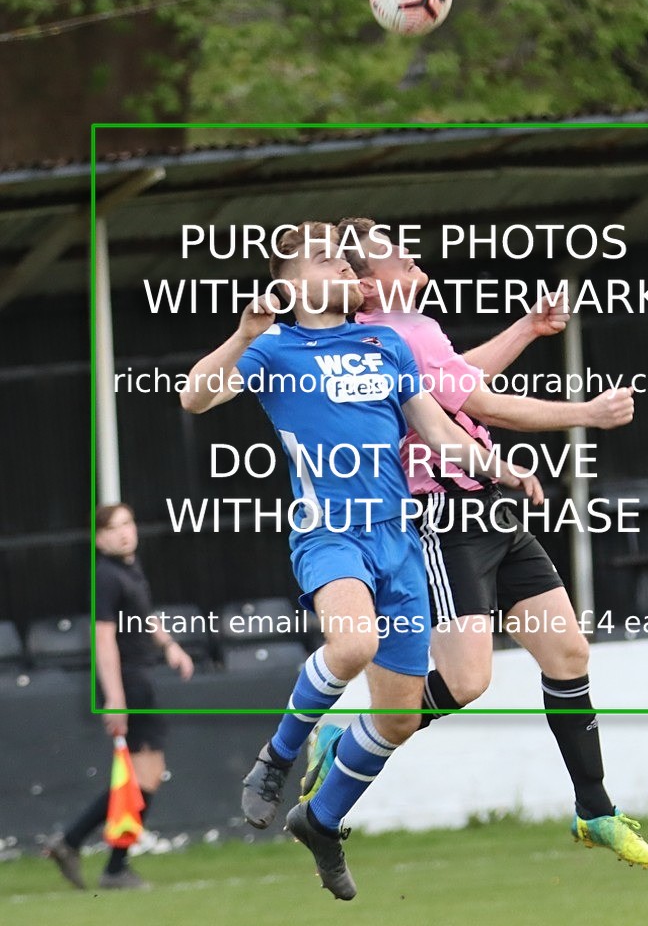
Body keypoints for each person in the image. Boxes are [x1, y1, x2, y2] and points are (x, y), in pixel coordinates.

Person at [179, 222, 540, 900]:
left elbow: (437, 430)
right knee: (352, 644)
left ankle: (319, 820)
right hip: (331, 533)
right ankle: (277, 757)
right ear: (290, 286)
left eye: (345, 260)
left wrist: (502, 468)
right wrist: (242, 335)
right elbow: (195, 396)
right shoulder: (273, 348)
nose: (343, 266)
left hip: (399, 540)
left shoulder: (386, 343)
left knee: (398, 718)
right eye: (323, 259)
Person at [301, 217, 648, 869]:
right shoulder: (388, 335)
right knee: (467, 681)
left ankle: (595, 811)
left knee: (567, 651)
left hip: (492, 508)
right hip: (444, 518)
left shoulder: (411, 329)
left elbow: (459, 380)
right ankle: (348, 739)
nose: (410, 255)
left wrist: (525, 329)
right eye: (393, 254)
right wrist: (586, 414)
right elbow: (485, 406)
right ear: (367, 283)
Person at [44, 503, 194, 890]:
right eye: (113, 528)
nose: (124, 532)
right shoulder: (106, 577)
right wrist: (115, 697)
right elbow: (104, 639)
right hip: (127, 683)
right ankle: (109, 864)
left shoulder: (129, 568)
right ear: (99, 539)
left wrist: (170, 646)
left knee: (145, 775)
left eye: (127, 523)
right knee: (143, 775)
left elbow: (144, 615)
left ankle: (75, 843)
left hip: (139, 678)